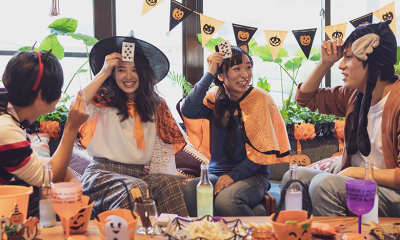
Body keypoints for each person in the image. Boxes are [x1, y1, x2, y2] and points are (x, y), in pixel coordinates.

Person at [281, 20, 400, 217]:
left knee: (324, 185)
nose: (341, 65)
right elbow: (305, 98)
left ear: (372, 62)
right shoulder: (353, 95)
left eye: (349, 58)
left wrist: (356, 173)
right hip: (360, 185)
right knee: (293, 178)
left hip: (393, 194)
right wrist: (325, 62)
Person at [79, 36, 188, 216]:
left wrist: (166, 178)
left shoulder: (157, 106)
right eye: (121, 70)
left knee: (171, 183)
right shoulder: (101, 99)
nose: (128, 76)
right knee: (137, 188)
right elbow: (76, 108)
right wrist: (103, 72)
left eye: (135, 70)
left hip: (139, 175)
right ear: (114, 73)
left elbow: (161, 156)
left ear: (144, 73)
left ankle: (175, 235)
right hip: (101, 175)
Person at [182, 46, 291, 216]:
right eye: (237, 68)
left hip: (254, 176)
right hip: (217, 173)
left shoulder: (261, 99)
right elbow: (188, 110)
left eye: (248, 67)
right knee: (191, 188)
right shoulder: (213, 97)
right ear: (221, 75)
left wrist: (233, 175)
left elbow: (262, 151)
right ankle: (205, 233)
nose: (245, 74)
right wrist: (209, 73)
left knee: (226, 200)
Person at [0, 50, 89, 217]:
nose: (61, 95)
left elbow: (37, 165)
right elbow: (48, 177)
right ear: (41, 95)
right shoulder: (6, 129)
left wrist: (70, 177)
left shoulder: (7, 110)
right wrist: (71, 126)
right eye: (58, 90)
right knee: (54, 202)